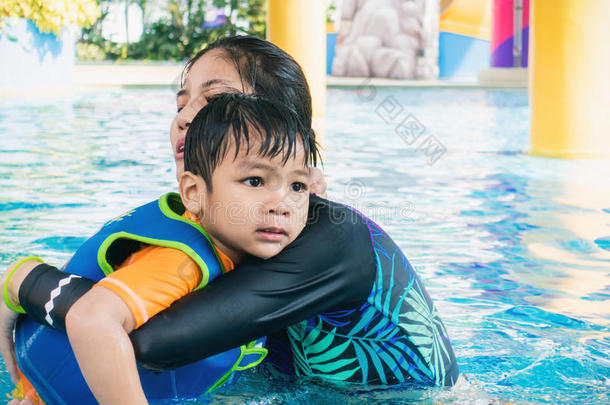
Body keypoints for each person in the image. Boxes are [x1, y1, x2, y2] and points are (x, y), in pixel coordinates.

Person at [1, 35, 458, 400]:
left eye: (213, 101)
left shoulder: (333, 241)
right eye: (180, 103)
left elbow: (151, 344)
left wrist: (25, 282)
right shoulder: (223, 225)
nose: (183, 118)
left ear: (280, 123)